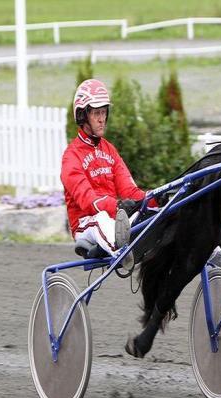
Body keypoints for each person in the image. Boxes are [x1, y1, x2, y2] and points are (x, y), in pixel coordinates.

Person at [61, 78, 148, 269]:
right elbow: (88, 201)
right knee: (100, 219)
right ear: (83, 116)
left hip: (114, 220)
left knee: (153, 213)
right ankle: (123, 253)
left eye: (104, 113)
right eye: (96, 113)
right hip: (86, 224)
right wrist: (118, 207)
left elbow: (130, 191)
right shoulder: (71, 157)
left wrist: (155, 200)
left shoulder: (110, 150)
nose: (102, 119)